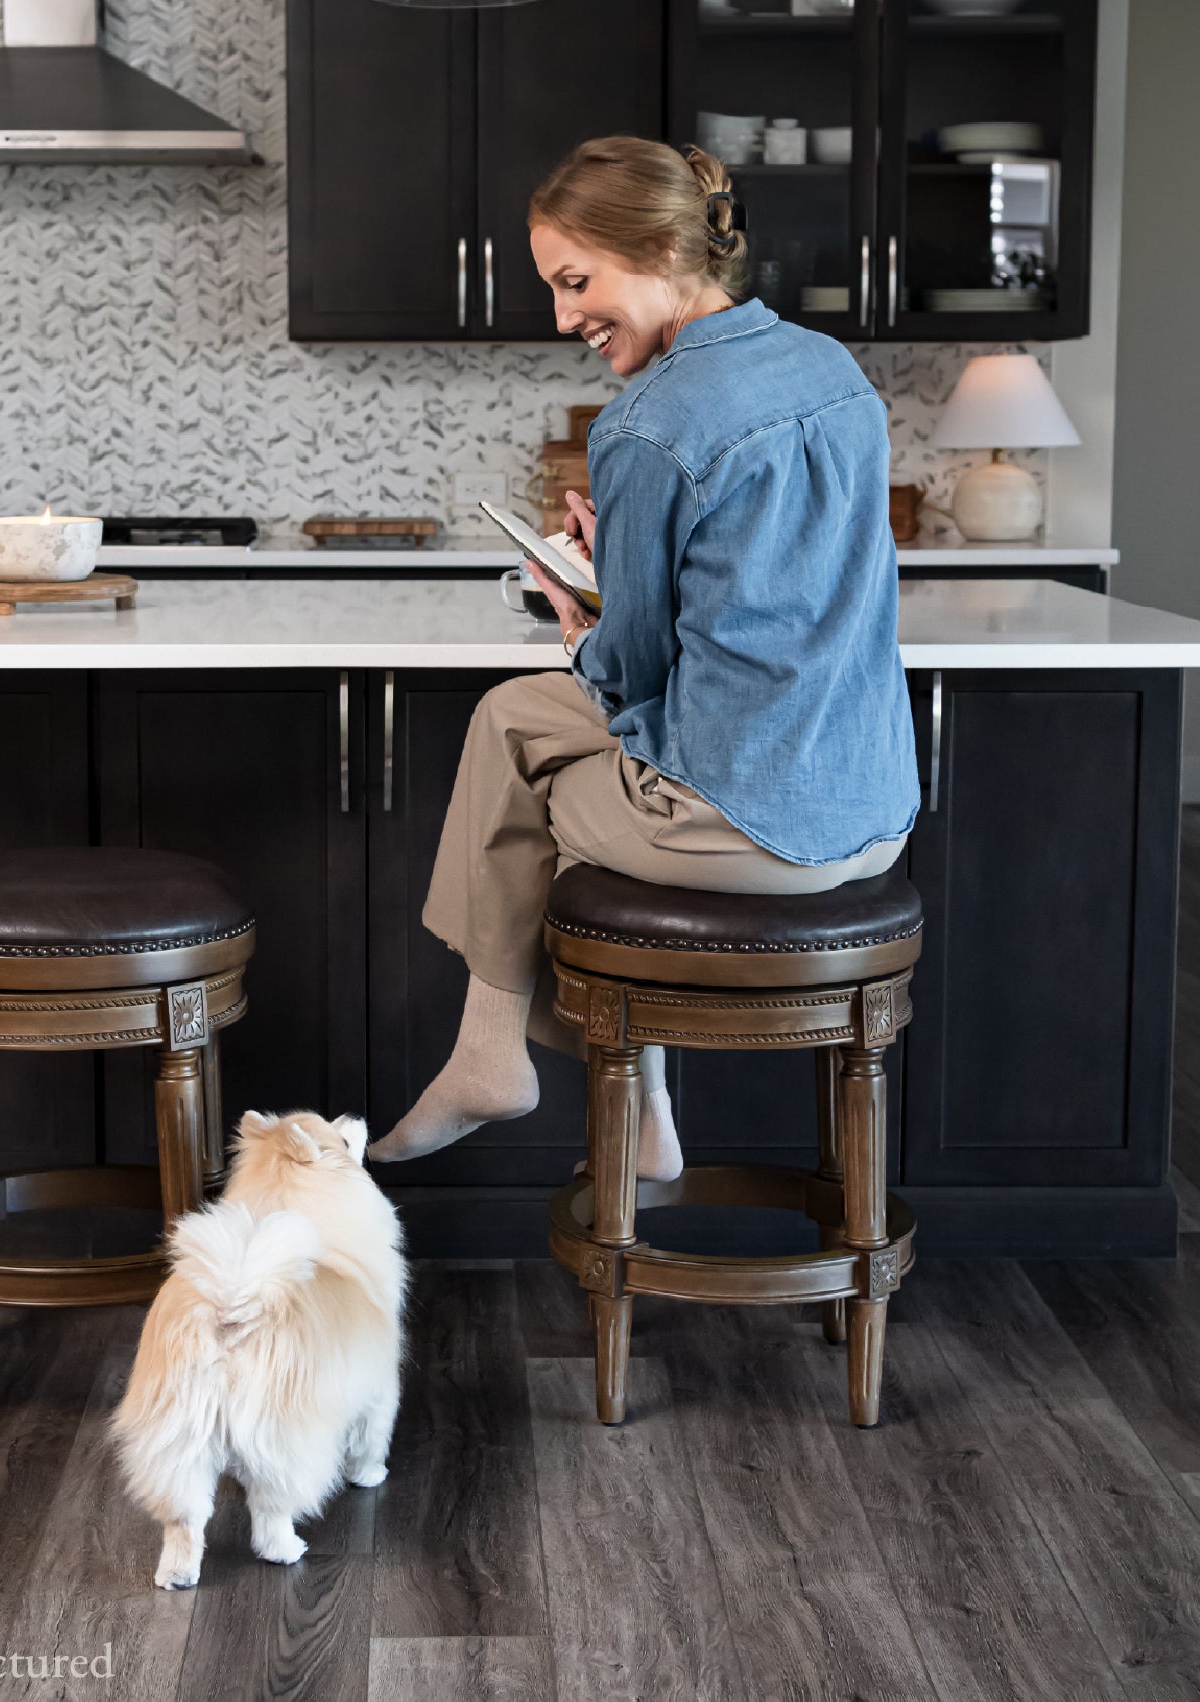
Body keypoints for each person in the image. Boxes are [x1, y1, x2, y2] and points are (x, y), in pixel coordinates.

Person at [366, 137, 919, 1181]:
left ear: (662, 247)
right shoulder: (832, 370)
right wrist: (624, 561)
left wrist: (579, 613)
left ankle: (500, 1057)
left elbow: (629, 678)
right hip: (873, 811)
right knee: (511, 716)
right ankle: (620, 1105)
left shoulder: (647, 428)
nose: (564, 316)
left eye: (576, 281)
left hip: (746, 826)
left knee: (546, 791)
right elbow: (748, 601)